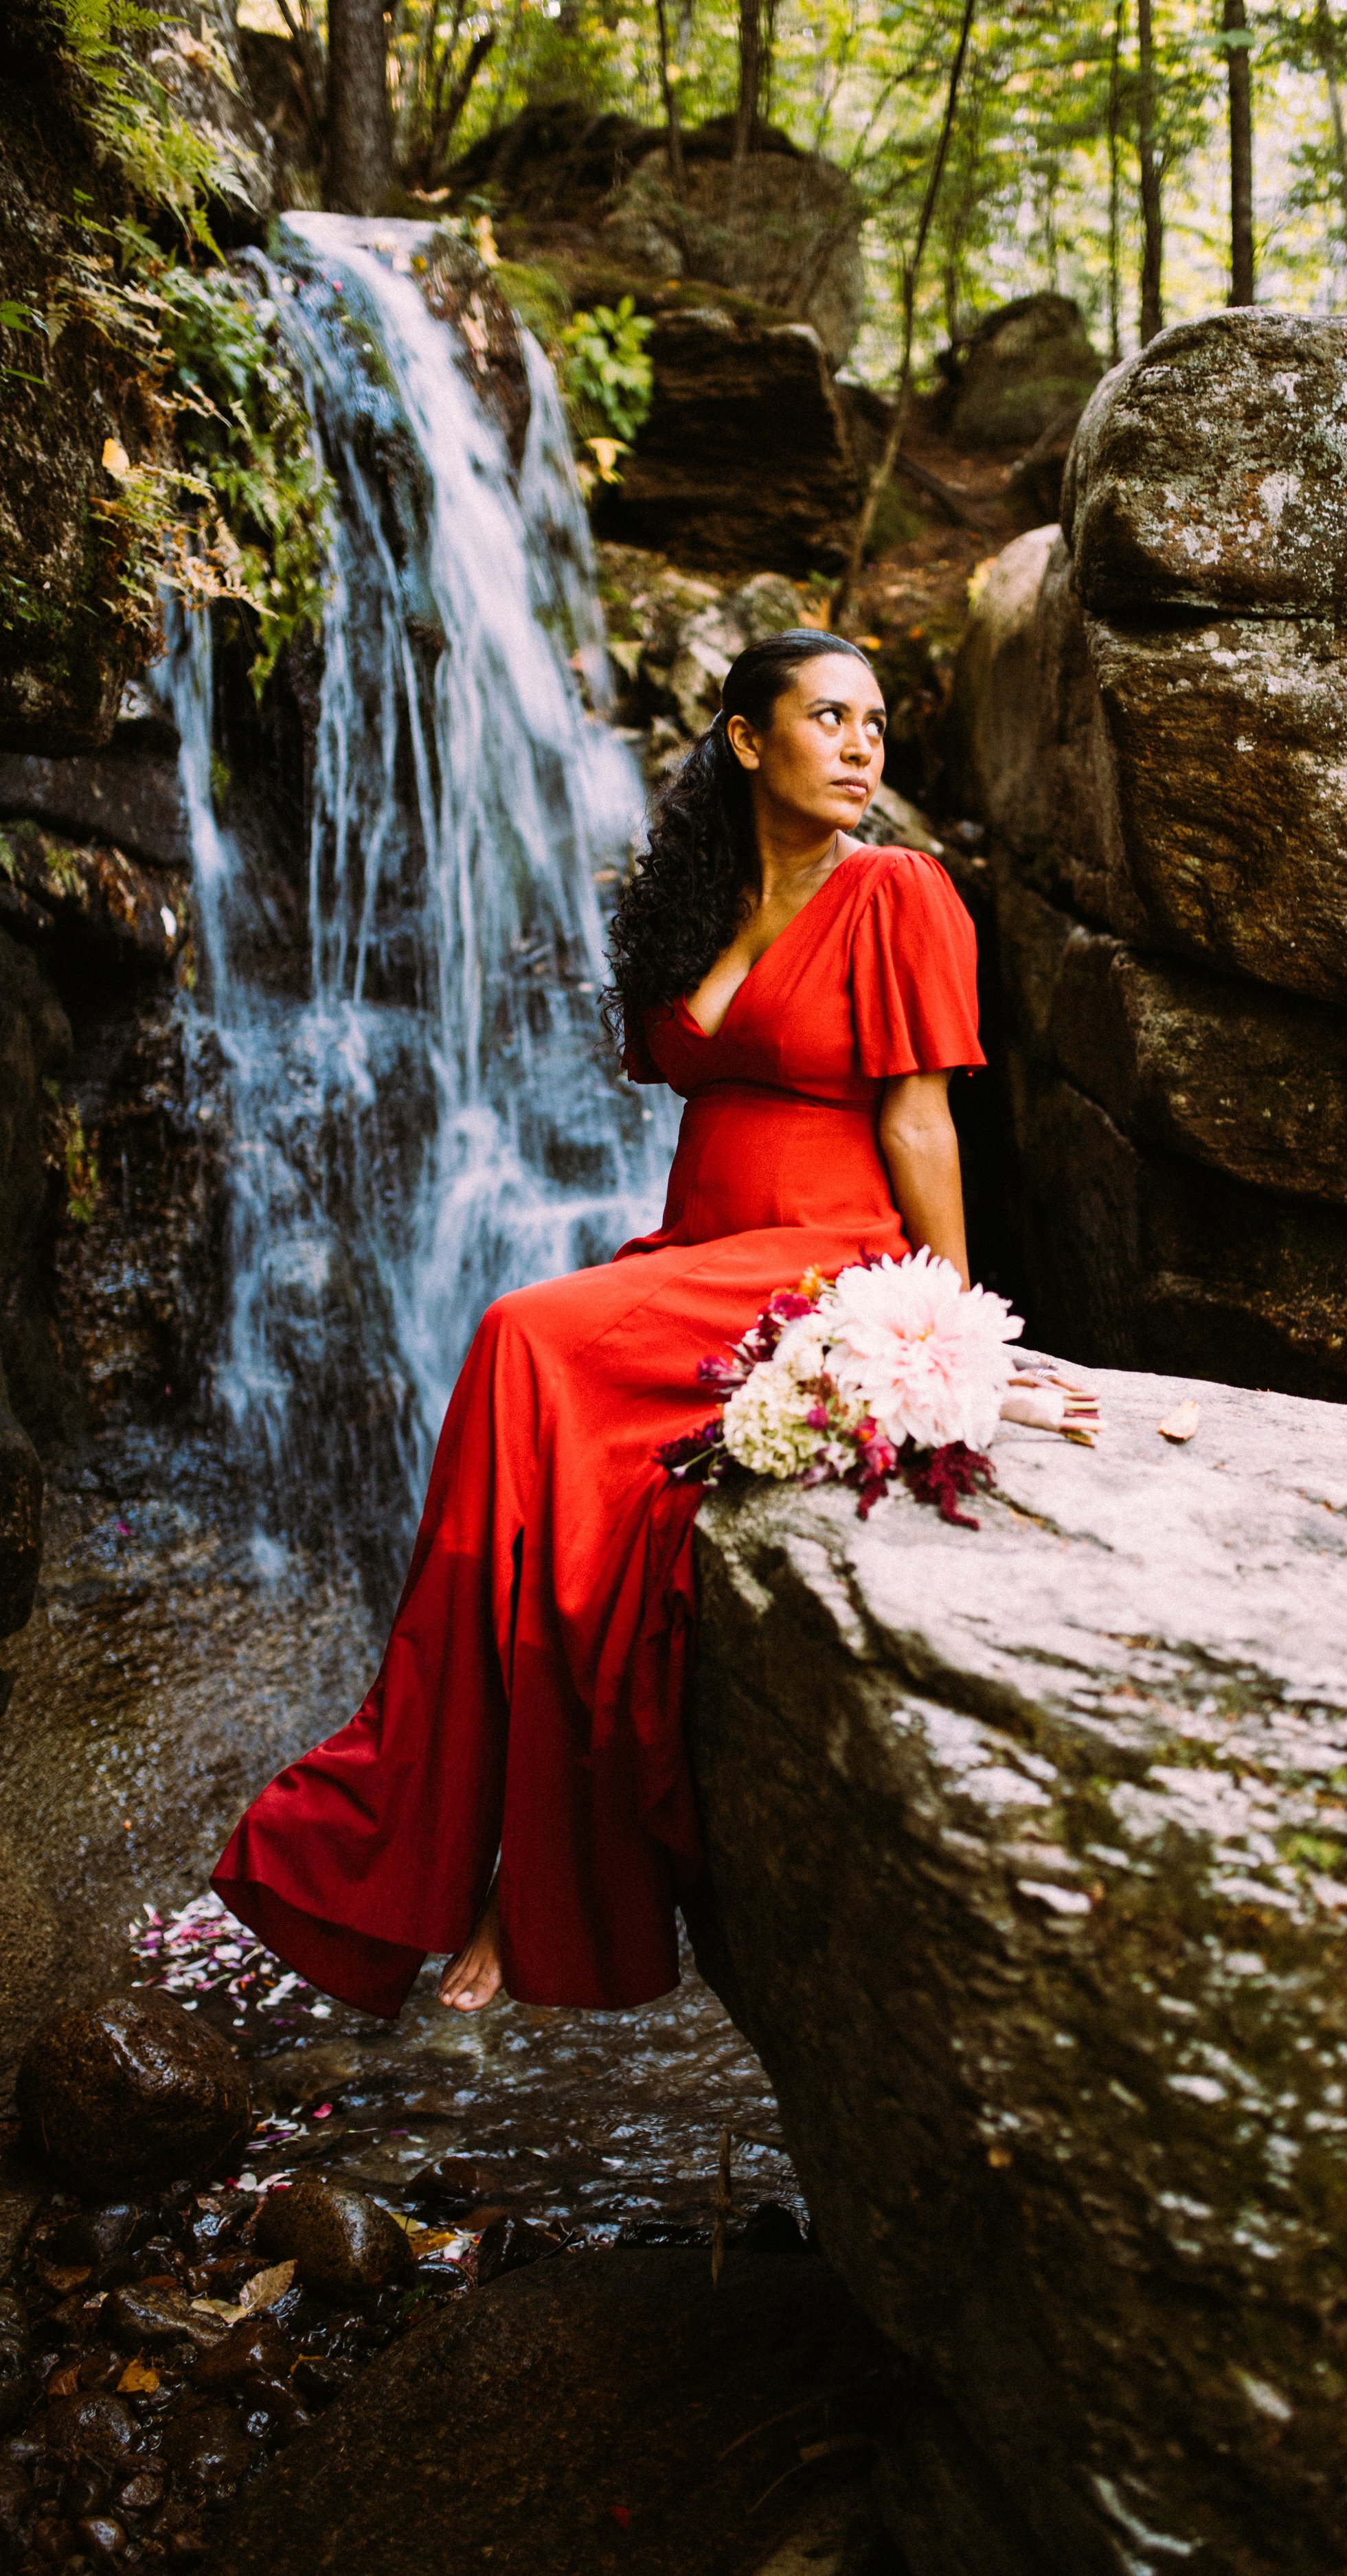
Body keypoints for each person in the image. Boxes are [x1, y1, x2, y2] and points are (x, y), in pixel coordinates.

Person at [211, 629, 985, 2018]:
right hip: (693, 1249)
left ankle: (434, 1846)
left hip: (819, 1252)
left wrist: (953, 1329)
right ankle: (479, 1856)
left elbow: (917, 1117)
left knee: (518, 1335)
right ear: (746, 740)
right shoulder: (698, 900)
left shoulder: (898, 892)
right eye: (830, 717)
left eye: (875, 721)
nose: (866, 743)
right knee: (565, 1505)